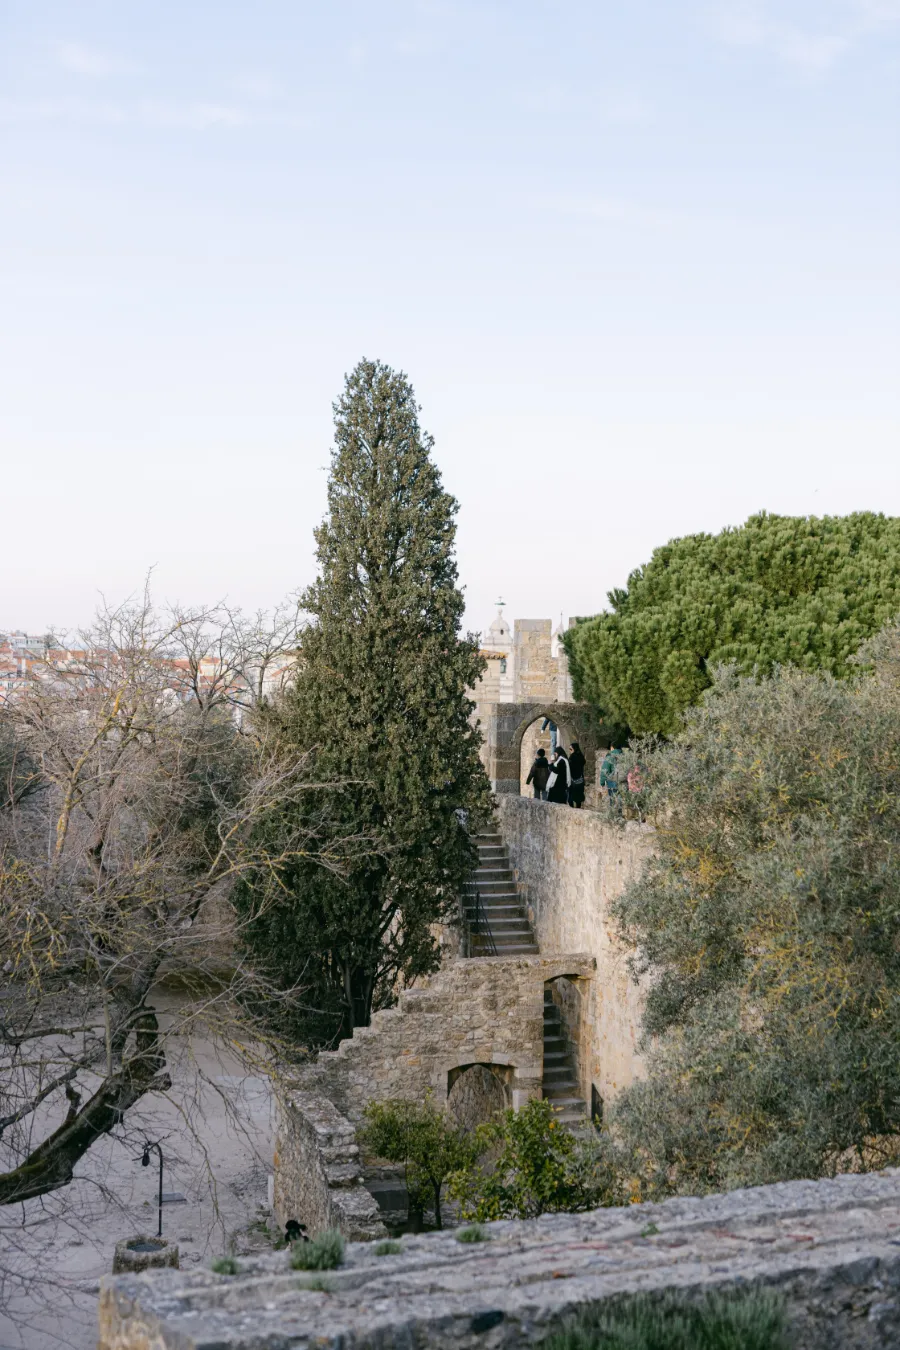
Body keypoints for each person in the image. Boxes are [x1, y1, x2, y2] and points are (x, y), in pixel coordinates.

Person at [568, 742, 586, 808]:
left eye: (571, 749)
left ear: (574, 749)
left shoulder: (572, 757)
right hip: (580, 779)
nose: (570, 751)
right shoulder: (581, 756)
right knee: (578, 797)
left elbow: (569, 768)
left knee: (571, 798)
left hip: (573, 780)